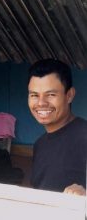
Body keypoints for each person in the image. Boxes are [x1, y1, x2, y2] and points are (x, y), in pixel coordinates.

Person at [28, 58, 87, 196]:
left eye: (51, 95)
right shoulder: (40, 144)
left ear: (69, 95)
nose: (41, 103)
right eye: (34, 95)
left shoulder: (84, 136)